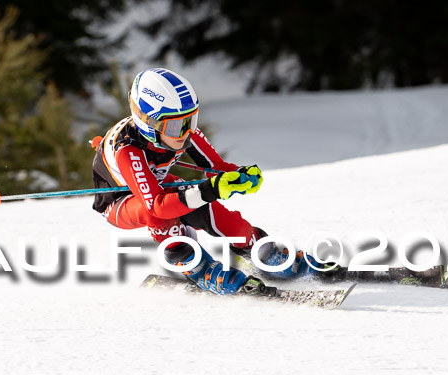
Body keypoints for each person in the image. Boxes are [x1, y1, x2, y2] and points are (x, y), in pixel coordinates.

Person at [91, 68, 317, 295]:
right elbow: (156, 205)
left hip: (156, 186)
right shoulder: (128, 150)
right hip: (120, 202)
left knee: (223, 219)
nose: (185, 132)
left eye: (190, 119)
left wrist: (241, 175)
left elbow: (215, 168)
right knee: (159, 213)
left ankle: (261, 252)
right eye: (175, 125)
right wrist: (209, 191)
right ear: (148, 123)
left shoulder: (183, 132)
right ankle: (196, 267)